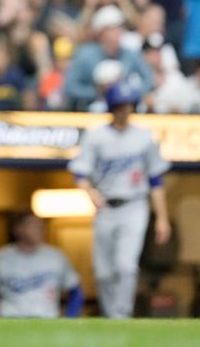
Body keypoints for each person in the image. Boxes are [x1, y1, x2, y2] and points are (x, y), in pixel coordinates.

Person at [68, 81, 171, 318]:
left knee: (125, 266)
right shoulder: (96, 136)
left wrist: (162, 219)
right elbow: (80, 173)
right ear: (112, 106)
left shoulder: (144, 137)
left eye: (128, 105)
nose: (125, 110)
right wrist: (90, 192)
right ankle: (110, 314)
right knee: (103, 271)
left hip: (134, 205)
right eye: (120, 105)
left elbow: (156, 180)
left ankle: (121, 316)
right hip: (105, 206)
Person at [0, 211, 84, 318]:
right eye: (32, 225)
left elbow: (75, 290)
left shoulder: (56, 256)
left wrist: (70, 317)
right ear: (17, 229)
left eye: (41, 225)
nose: (39, 229)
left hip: (46, 321)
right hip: (11, 322)